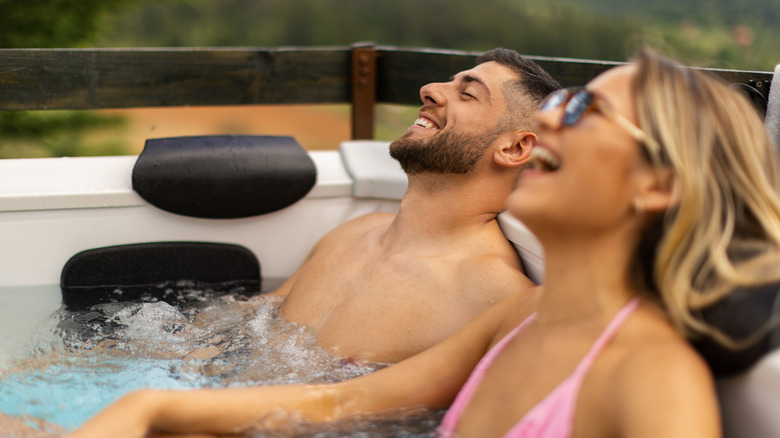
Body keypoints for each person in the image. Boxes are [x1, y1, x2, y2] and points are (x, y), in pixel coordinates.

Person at [68, 47, 780, 438]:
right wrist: (146, 408)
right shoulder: (522, 318)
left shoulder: (652, 378)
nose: (554, 128)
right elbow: (332, 407)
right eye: (564, 102)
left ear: (657, 183)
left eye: (588, 110)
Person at [268, 48, 561, 363]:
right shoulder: (353, 233)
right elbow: (242, 321)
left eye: (468, 95)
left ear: (515, 147)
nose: (429, 90)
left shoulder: (497, 298)